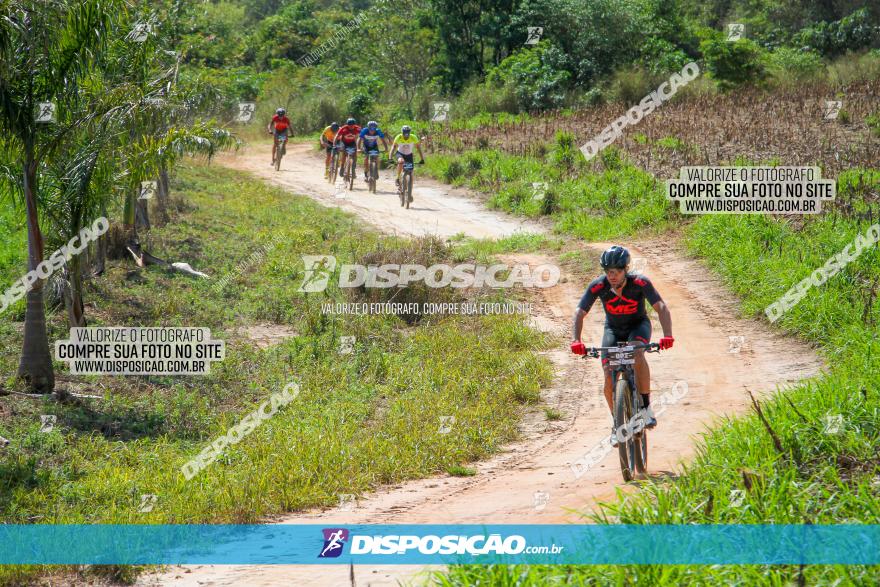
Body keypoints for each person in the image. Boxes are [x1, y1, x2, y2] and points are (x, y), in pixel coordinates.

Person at [570, 245, 674, 446]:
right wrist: (576, 340)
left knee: (636, 354)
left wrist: (668, 335)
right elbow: (579, 312)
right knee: (608, 374)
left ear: (625, 269)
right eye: (608, 272)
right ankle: (617, 424)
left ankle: (645, 409)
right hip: (613, 330)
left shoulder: (640, 283)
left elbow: (661, 307)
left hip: (638, 327)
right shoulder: (598, 286)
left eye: (616, 271)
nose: (612, 276)